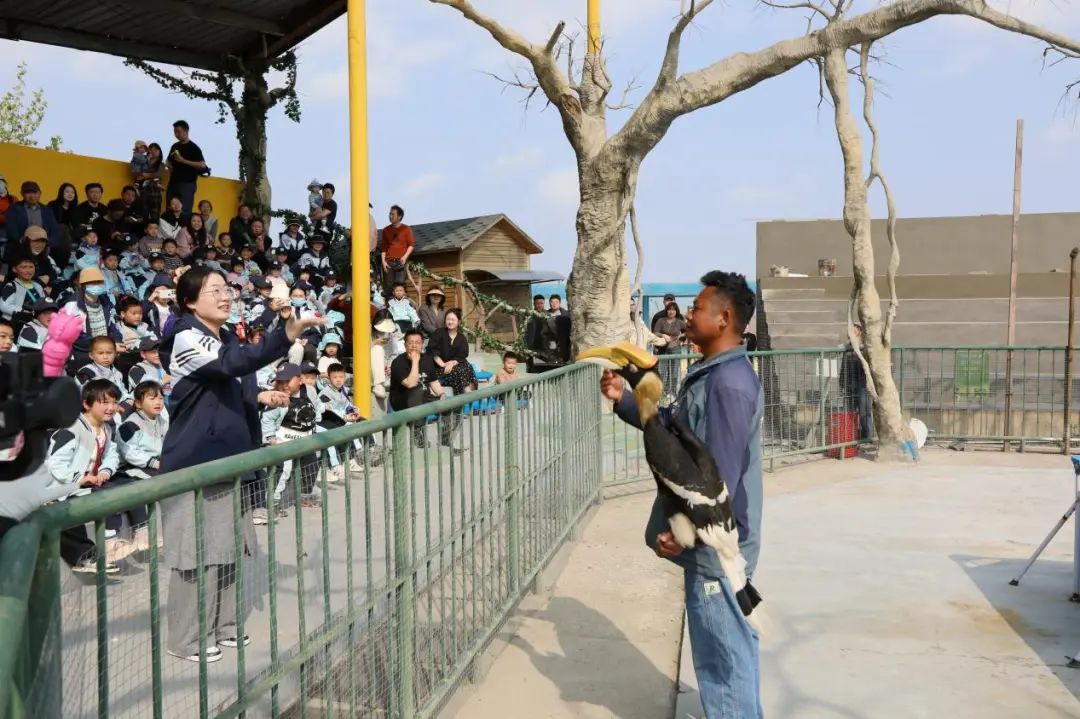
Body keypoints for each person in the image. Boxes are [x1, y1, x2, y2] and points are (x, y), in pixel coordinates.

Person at [601, 271, 763, 717]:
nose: (689, 315)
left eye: (697, 308)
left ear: (724, 319)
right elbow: (676, 432)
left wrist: (686, 532)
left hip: (716, 549)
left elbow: (717, 477)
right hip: (716, 542)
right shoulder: (713, 374)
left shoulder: (728, 385)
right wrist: (626, 399)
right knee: (731, 647)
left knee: (722, 660)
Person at [158, 266, 322, 663]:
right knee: (196, 555)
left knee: (231, 548)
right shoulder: (184, 337)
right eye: (213, 290)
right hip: (197, 462)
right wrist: (286, 333)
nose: (224, 296)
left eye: (226, 289)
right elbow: (231, 365)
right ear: (189, 301)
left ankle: (225, 625)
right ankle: (186, 638)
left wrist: (260, 398)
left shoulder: (226, 336)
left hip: (233, 459)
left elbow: (233, 382)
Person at [46, 379, 126, 571]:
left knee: (120, 489)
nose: (111, 408)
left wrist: (106, 471)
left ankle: (106, 545)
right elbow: (55, 463)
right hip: (60, 489)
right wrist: (79, 478)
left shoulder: (106, 428)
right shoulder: (71, 428)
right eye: (104, 402)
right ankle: (106, 545)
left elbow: (112, 454)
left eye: (114, 402)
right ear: (86, 404)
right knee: (69, 517)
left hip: (85, 486)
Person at [108, 380, 169, 555]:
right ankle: (142, 533)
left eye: (160, 398)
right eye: (152, 398)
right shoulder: (130, 425)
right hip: (131, 467)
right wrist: (153, 462)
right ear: (138, 403)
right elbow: (130, 453)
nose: (158, 402)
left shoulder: (163, 421)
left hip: (156, 463)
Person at [389, 328, 446, 448]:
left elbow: (433, 381)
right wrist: (415, 361)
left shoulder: (427, 359)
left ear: (422, 344)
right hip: (402, 399)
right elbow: (410, 384)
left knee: (453, 406)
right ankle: (419, 435)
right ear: (405, 345)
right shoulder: (398, 362)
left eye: (417, 343)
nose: (414, 346)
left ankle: (446, 440)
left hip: (424, 397)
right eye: (410, 343)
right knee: (417, 392)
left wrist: (442, 394)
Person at [427, 308, 477, 397]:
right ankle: (465, 394)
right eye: (448, 319)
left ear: (459, 322)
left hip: (454, 367)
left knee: (466, 366)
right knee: (459, 371)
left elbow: (462, 356)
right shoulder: (438, 333)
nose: (450, 322)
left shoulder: (461, 338)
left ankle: (468, 392)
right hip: (439, 368)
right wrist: (443, 364)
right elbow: (433, 351)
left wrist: (452, 363)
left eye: (453, 320)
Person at [838, 324, 873, 442]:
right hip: (849, 385)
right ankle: (850, 438)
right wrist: (841, 382)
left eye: (853, 330)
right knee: (849, 413)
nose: (849, 332)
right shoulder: (847, 348)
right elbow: (843, 366)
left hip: (862, 385)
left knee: (864, 413)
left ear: (859, 332)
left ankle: (867, 438)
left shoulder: (864, 347)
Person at [166, 120, 207, 214]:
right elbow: (169, 162)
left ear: (186, 131)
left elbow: (202, 164)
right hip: (173, 183)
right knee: (170, 210)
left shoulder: (194, 148)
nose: (176, 134)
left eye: (178, 131)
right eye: (175, 132)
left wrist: (183, 160)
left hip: (187, 184)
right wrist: (169, 166)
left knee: (185, 211)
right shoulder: (174, 146)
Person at [1, 252, 46, 328]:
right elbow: (4, 306)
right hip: (14, 325)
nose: (28, 270)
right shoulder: (11, 286)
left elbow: (44, 304)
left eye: (31, 267)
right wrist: (25, 312)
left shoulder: (38, 286)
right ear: (14, 269)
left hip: (34, 324)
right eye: (24, 267)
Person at [653, 301, 688, 399]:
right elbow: (654, 333)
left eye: (673, 310)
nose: (671, 311)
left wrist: (681, 336)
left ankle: (672, 393)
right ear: (666, 310)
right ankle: (662, 393)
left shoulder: (679, 322)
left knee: (674, 372)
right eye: (669, 309)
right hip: (662, 349)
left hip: (675, 349)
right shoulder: (660, 320)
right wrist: (663, 335)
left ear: (676, 311)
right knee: (662, 371)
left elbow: (688, 331)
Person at [379, 204, 413, 294]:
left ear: (399, 216)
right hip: (388, 262)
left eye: (393, 214)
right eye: (390, 214)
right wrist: (383, 262)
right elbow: (383, 248)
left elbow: (411, 245)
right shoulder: (385, 230)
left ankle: (401, 302)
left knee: (400, 284)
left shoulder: (406, 229)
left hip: (400, 262)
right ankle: (389, 302)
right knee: (389, 286)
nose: (390, 216)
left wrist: (405, 257)